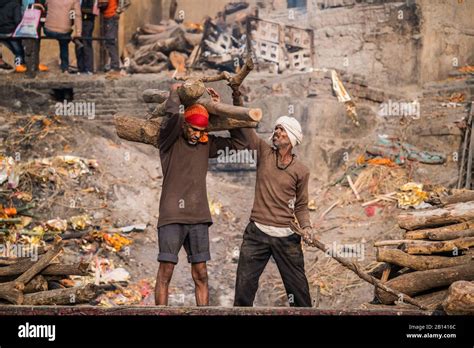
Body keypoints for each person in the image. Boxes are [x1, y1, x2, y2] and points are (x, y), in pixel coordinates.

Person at [155, 85, 248, 306]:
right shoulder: (169, 141)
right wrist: (175, 93)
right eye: (194, 129)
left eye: (202, 131)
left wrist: (218, 109)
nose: (197, 135)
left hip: (198, 218)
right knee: (166, 272)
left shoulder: (206, 144)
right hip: (172, 217)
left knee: (201, 274)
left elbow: (240, 142)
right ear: (184, 125)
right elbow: (172, 118)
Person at [233, 115, 313, 307]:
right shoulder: (263, 153)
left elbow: (301, 205)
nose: (277, 132)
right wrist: (236, 94)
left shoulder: (301, 171)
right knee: (243, 291)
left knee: (300, 295)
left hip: (287, 237)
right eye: (276, 128)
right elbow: (246, 130)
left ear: (292, 138)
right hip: (256, 234)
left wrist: (307, 227)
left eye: (282, 129)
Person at [44, 0, 81, 73]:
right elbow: (78, 16)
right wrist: (78, 33)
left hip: (48, 29)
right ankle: (65, 68)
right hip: (63, 31)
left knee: (63, 37)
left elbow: (46, 4)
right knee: (64, 42)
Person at [0, 0, 26, 73]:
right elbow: (17, 20)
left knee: (14, 48)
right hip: (10, 32)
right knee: (19, 51)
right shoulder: (15, 4)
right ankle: (19, 66)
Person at [75, 0, 96, 74]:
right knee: (78, 44)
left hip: (87, 21)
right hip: (79, 21)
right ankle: (81, 68)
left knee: (86, 43)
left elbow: (92, 10)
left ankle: (89, 68)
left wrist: (78, 10)